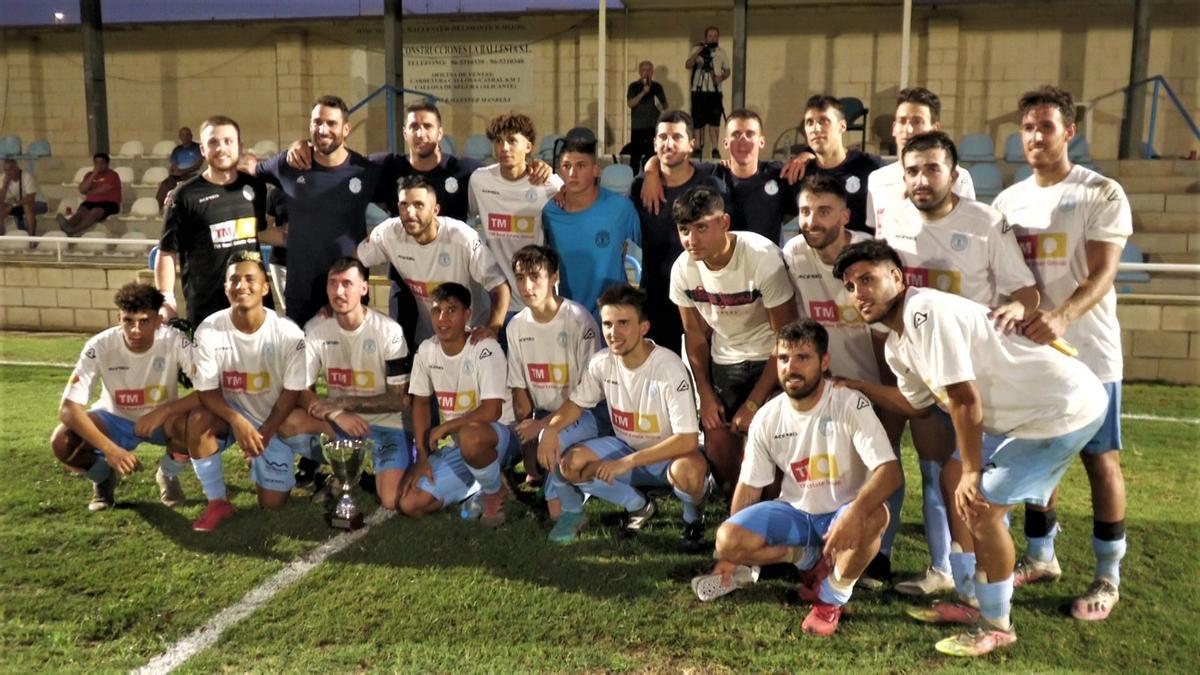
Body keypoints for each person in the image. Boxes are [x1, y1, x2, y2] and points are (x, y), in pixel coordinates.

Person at [832, 239, 1108, 657]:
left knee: (981, 504)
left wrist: (974, 473)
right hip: (1027, 413)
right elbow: (917, 406)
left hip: (1063, 408)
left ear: (896, 277)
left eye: (867, 279)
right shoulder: (896, 345)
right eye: (850, 287)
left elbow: (964, 400)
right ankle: (969, 598)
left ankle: (997, 625)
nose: (859, 294)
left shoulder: (925, 312)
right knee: (951, 479)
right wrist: (856, 386)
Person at [874, 130, 1039, 595]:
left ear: (953, 173)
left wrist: (1019, 308)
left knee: (969, 482)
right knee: (935, 471)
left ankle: (986, 580)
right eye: (912, 170)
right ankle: (945, 570)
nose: (921, 179)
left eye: (932, 168)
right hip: (924, 369)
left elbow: (1025, 289)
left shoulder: (986, 222)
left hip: (976, 375)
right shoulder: (895, 220)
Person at [992, 85, 1131, 622]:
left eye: (1045, 127)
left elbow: (1103, 273)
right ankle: (1041, 556)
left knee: (1100, 461)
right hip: (1032, 357)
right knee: (1034, 456)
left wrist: (1061, 318)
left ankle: (1107, 575)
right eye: (1027, 127)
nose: (1034, 137)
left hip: (1089, 353)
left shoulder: (1100, 192)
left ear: (1069, 131)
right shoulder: (1008, 201)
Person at [690, 319, 900, 637]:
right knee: (727, 540)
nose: (792, 368)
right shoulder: (767, 416)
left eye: (803, 358)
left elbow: (889, 472)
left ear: (824, 362)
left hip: (843, 513)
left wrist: (853, 513)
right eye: (784, 359)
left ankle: (831, 598)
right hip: (797, 514)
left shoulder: (849, 402)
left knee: (875, 513)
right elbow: (749, 486)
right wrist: (732, 557)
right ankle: (806, 558)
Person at [781, 174, 905, 589]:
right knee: (837, 467)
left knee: (884, 461)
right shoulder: (794, 252)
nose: (811, 220)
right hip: (828, 386)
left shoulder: (868, 254)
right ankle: (826, 545)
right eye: (804, 211)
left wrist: (891, 400)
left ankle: (881, 555)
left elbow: (887, 332)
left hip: (874, 378)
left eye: (823, 211)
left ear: (846, 215)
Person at [538, 284, 711, 544]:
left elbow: (687, 439)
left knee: (690, 471)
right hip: (624, 448)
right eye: (607, 324)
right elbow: (575, 405)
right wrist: (550, 429)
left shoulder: (668, 366)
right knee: (571, 464)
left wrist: (626, 463)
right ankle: (639, 506)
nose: (613, 332)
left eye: (623, 323)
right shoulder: (601, 362)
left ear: (643, 327)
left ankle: (692, 519)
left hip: (667, 457)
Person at [669, 185, 797, 498]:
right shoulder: (683, 269)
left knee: (773, 441)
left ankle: (773, 503)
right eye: (684, 230)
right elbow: (695, 335)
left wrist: (754, 402)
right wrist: (706, 394)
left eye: (701, 228)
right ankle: (732, 494)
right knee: (718, 444)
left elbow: (786, 338)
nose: (691, 240)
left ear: (724, 223)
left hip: (771, 357)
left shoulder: (762, 258)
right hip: (725, 358)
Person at [185, 252, 318, 532]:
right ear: (225, 288)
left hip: (274, 423)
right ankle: (217, 501)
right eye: (234, 280)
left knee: (272, 504)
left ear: (265, 287)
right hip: (233, 418)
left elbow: (294, 392)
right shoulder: (209, 330)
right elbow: (207, 392)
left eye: (249, 279)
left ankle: (279, 465)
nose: (241, 286)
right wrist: (238, 421)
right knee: (197, 420)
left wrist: (266, 432)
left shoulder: (287, 332)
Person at [50, 282, 199, 511]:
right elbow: (68, 409)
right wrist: (111, 450)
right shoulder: (99, 345)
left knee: (196, 424)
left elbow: (209, 389)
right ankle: (103, 478)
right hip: (113, 419)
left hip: (161, 421)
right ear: (119, 318)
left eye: (144, 321)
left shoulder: (174, 340)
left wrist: (165, 410)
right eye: (128, 321)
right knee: (63, 441)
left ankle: (168, 475)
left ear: (159, 321)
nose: (135, 330)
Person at [254, 95, 389, 327]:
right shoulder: (288, 165)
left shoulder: (366, 171)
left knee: (349, 363)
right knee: (302, 360)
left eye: (331, 123)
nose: (323, 129)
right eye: (317, 122)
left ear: (346, 129)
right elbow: (248, 166)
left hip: (348, 291)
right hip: (301, 291)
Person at [504, 245, 604, 542]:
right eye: (520, 278)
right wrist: (527, 440)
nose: (527, 286)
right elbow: (520, 389)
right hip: (546, 416)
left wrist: (545, 428)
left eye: (535, 276)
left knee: (558, 509)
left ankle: (576, 508)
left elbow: (590, 393)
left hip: (587, 413)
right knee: (531, 453)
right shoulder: (516, 325)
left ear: (554, 278)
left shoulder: (578, 320)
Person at [399, 283, 520, 524]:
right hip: (461, 444)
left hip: (504, 437)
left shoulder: (484, 347)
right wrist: (422, 457)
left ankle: (494, 492)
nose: (442, 318)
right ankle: (481, 482)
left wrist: (445, 427)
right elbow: (421, 403)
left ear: (467, 314)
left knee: (470, 437)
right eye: (437, 310)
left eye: (451, 310)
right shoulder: (426, 349)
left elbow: (492, 410)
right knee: (410, 503)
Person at [301, 257, 412, 511]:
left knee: (391, 499)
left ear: (364, 288)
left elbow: (400, 399)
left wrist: (343, 402)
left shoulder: (389, 331)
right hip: (340, 424)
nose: (339, 291)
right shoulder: (316, 328)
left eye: (347, 284)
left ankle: (398, 458)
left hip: (387, 425)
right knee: (290, 423)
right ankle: (347, 470)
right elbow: (301, 389)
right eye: (333, 283)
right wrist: (339, 414)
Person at [357, 175, 510, 344]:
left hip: (473, 337)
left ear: (435, 210)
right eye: (404, 205)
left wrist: (493, 328)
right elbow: (354, 263)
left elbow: (499, 286)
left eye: (418, 205)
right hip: (430, 339)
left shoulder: (463, 238)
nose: (410, 213)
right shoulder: (388, 233)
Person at [630, 109, 728, 355]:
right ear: (654, 143)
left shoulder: (710, 182)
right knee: (660, 376)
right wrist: (650, 171)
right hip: (656, 296)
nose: (668, 143)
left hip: (703, 295)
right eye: (662, 137)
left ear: (691, 144)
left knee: (705, 372)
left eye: (676, 137)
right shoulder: (639, 187)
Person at [155, 115, 269, 327]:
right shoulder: (184, 195)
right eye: (213, 142)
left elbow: (261, 231)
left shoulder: (256, 187)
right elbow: (167, 251)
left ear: (239, 146)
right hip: (207, 308)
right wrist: (166, 298)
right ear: (202, 150)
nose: (221, 148)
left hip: (254, 305)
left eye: (228, 141)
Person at [641, 109, 799, 245]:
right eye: (736, 134)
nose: (743, 141)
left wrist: (807, 156)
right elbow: (675, 161)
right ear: (725, 143)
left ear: (762, 142)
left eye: (750, 134)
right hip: (725, 272)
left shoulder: (779, 174)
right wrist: (651, 172)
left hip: (767, 270)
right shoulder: (711, 174)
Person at [469, 112, 564, 318]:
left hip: (538, 301)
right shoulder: (479, 181)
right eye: (498, 141)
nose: (504, 148)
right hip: (498, 303)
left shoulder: (550, 184)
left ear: (528, 147)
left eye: (512, 141)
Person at [541, 135, 641, 322]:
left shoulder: (620, 208)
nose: (572, 173)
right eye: (566, 166)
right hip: (571, 319)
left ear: (596, 170)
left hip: (615, 318)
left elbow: (652, 250)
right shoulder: (550, 213)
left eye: (581, 166)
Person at [865, 88, 975, 235]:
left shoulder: (958, 178)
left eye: (917, 122)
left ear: (935, 129)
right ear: (893, 128)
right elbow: (876, 232)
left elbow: (967, 231)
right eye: (902, 121)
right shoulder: (877, 179)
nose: (908, 130)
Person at [796, 96, 883, 233]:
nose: (816, 128)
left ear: (842, 126)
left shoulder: (871, 167)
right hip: (815, 254)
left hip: (860, 253)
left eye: (824, 121)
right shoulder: (800, 172)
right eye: (809, 122)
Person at [684, 26, 731, 159]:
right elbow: (688, 64)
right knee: (698, 119)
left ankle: (715, 147)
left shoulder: (721, 52)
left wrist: (720, 77)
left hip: (714, 91)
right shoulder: (697, 50)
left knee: (714, 120)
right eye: (710, 36)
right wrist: (698, 51)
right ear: (706, 37)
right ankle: (697, 146)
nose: (713, 38)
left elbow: (727, 70)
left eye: (715, 36)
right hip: (698, 90)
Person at [57, 152, 122, 236]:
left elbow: (103, 189)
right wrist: (94, 174)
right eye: (96, 162)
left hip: (109, 203)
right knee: (80, 213)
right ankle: (67, 226)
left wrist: (89, 192)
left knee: (95, 211)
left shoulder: (112, 175)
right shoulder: (89, 175)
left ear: (107, 164)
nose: (99, 165)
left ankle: (73, 231)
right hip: (91, 202)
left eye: (101, 162)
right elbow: (82, 189)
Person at [626, 60, 667, 169]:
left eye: (649, 70)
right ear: (640, 72)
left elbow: (664, 105)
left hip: (653, 127)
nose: (647, 72)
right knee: (635, 157)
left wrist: (661, 108)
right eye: (644, 70)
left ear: (652, 72)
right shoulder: (634, 86)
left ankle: (652, 179)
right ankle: (635, 180)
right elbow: (630, 103)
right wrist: (643, 92)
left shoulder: (657, 87)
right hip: (638, 127)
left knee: (652, 157)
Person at [156, 126, 203, 208]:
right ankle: (159, 208)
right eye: (182, 135)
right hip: (178, 175)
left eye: (187, 134)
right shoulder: (177, 149)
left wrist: (183, 171)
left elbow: (198, 165)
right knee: (165, 185)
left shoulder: (198, 148)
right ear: (180, 137)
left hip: (192, 175)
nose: (185, 137)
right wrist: (175, 171)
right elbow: (173, 165)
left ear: (191, 136)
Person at [1, 158, 47, 235]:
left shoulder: (26, 176)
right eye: (6, 170)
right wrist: (5, 185)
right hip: (17, 205)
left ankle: (30, 238)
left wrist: (11, 206)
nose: (8, 173)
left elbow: (30, 198)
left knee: (27, 205)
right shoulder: (3, 178)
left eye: (10, 169)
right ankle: (2, 237)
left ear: (17, 169)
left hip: (38, 203)